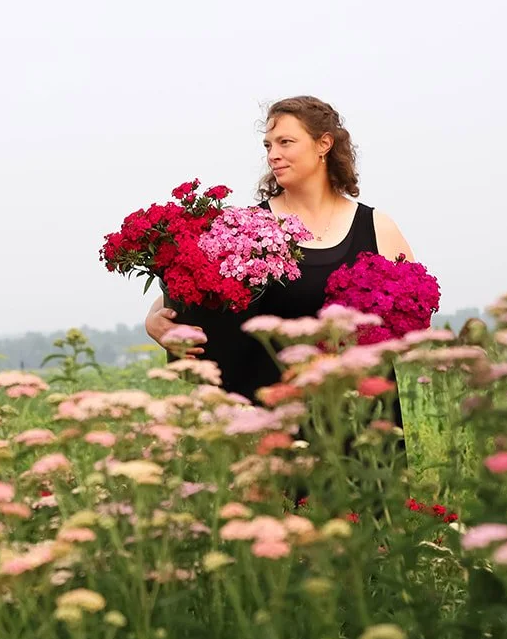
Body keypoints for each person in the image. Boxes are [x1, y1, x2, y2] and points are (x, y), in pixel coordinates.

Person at [144, 95, 417, 411]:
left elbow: (412, 316)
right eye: (268, 146)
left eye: (285, 142)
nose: (273, 155)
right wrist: (154, 321)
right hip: (271, 421)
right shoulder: (247, 228)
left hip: (363, 423)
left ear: (323, 144)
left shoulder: (377, 228)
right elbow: (190, 291)